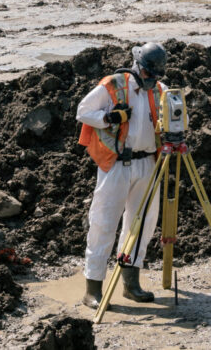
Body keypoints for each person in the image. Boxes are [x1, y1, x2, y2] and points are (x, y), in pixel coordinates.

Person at [76, 42, 168, 308]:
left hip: (147, 164)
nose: (152, 79)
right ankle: (92, 289)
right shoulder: (114, 84)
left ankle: (131, 283)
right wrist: (109, 118)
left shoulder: (159, 90)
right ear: (139, 66)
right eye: (149, 74)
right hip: (116, 164)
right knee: (104, 223)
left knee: (142, 225)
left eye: (156, 75)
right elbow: (83, 111)